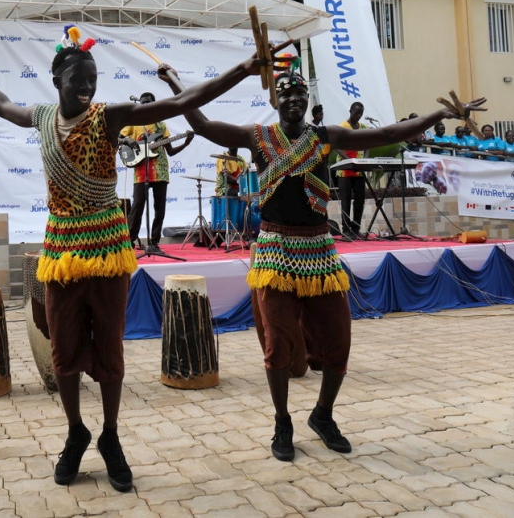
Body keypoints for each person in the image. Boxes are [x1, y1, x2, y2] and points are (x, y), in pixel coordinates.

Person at [0, 27, 268, 493]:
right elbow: (2, 105)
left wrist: (243, 70)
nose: (87, 88)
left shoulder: (109, 116)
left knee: (110, 350)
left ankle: (109, 435)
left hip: (107, 252)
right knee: (63, 351)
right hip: (61, 252)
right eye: (78, 81)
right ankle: (75, 431)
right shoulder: (43, 117)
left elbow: (175, 106)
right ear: (57, 80)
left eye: (93, 80)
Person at [163, 68, 486, 462]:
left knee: (338, 341)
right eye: (286, 93)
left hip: (319, 250)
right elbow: (201, 121)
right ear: (275, 102)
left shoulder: (325, 137)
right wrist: (175, 84)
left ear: (306, 100)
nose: (294, 98)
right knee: (278, 345)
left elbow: (386, 135)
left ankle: (323, 415)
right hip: (274, 249)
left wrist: (439, 117)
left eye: (300, 93)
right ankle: (283, 421)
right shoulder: (256, 138)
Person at [119, 93, 193, 251]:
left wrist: (186, 143)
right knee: (137, 207)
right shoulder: (133, 123)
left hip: (160, 172)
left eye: (149, 102)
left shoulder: (161, 126)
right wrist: (127, 140)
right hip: (141, 172)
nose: (146, 105)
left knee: (160, 209)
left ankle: (154, 242)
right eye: (143, 102)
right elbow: (118, 138)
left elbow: (170, 151)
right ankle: (129, 241)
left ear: (154, 104)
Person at [336, 102, 367, 239]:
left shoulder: (363, 128)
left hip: (359, 169)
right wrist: (348, 160)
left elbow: (368, 144)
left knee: (360, 199)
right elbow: (335, 145)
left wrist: (365, 161)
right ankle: (346, 230)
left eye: (360, 113)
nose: (358, 116)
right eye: (356, 113)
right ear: (350, 111)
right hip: (344, 169)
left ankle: (356, 229)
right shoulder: (342, 127)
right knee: (346, 200)